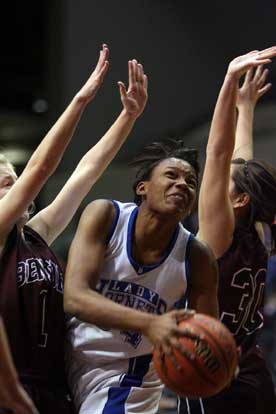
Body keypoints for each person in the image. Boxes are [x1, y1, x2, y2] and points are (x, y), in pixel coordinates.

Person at [0, 44, 149, 414]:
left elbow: (86, 173)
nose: (16, 187)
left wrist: (127, 118)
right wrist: (81, 100)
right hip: (10, 390)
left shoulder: (36, 234)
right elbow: (39, 169)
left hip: (55, 390)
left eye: (12, 179)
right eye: (5, 185)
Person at [64, 137, 219, 414]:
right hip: (66, 356)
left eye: (191, 182)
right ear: (142, 188)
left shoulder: (197, 256)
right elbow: (75, 298)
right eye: (171, 175)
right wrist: (150, 323)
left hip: (129, 376)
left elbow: (204, 336)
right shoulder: (106, 216)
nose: (183, 184)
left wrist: (218, 358)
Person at [179, 47, 276, 414]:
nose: (218, 180)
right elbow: (240, 162)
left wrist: (228, 81)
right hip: (253, 368)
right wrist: (246, 109)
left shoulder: (220, 234)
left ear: (239, 200)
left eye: (227, 183)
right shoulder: (261, 231)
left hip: (211, 368)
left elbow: (219, 154)